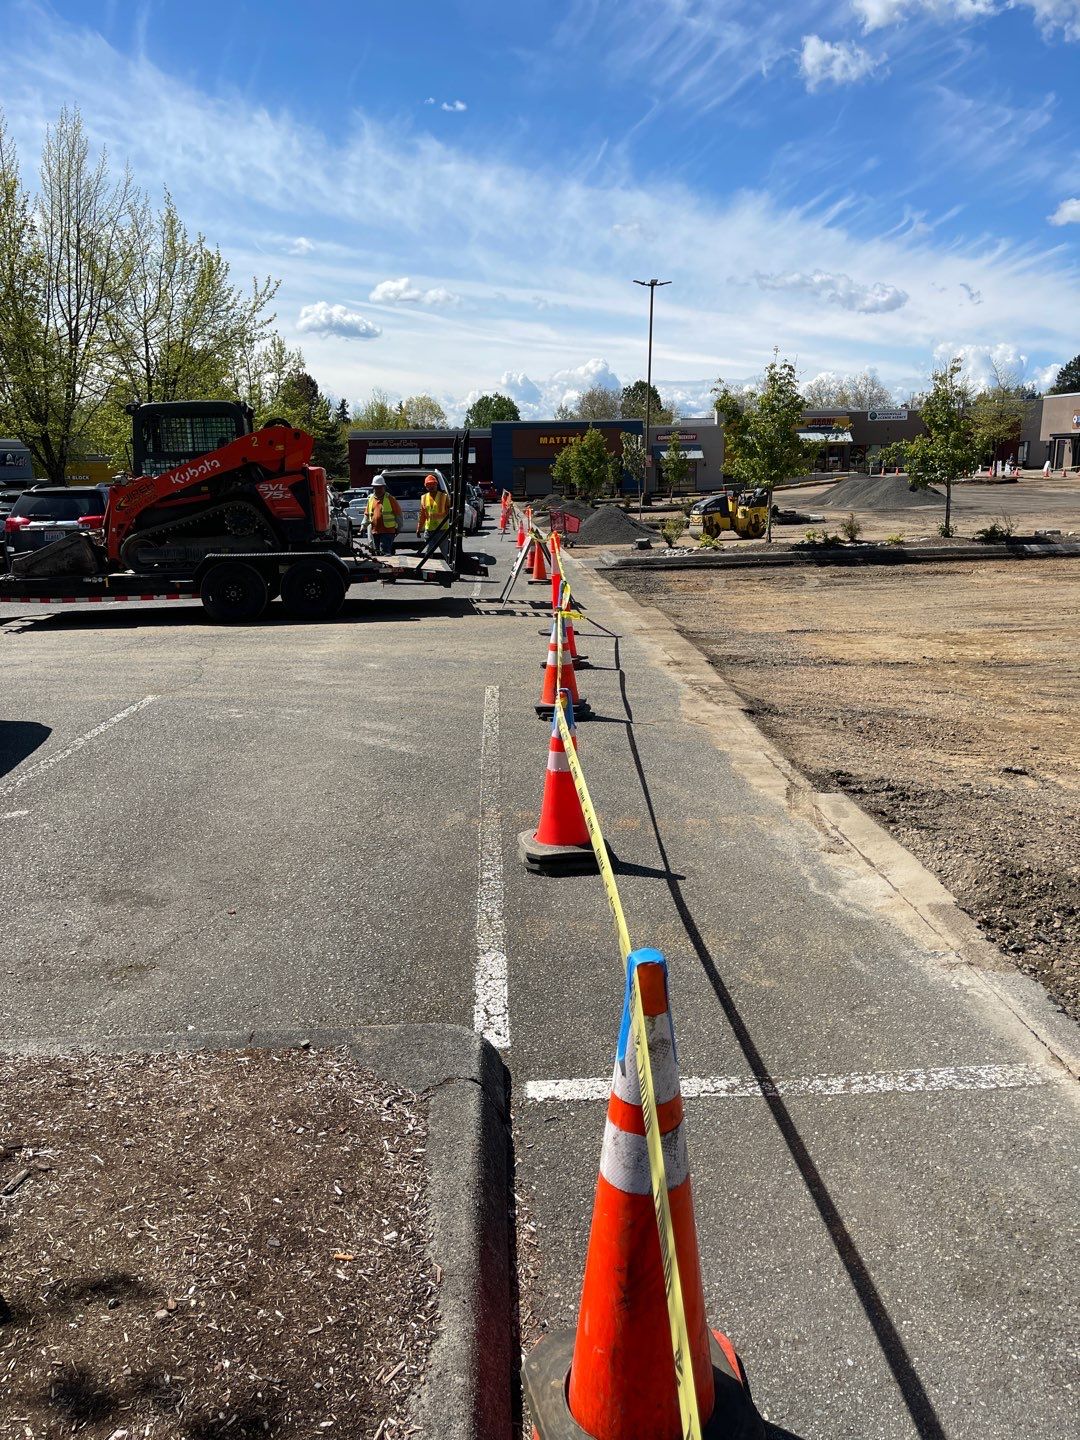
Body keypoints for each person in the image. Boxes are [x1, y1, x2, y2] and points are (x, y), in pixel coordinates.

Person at [365, 475, 402, 556]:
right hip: (375, 531)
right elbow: (367, 515)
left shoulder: (390, 499)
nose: (378, 489)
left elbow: (398, 515)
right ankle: (380, 567)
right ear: (373, 487)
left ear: (384, 487)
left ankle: (385, 568)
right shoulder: (371, 499)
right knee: (377, 551)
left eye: (380, 487)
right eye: (376, 487)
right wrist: (363, 526)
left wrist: (399, 527)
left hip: (388, 531)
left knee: (384, 551)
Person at [417, 473, 450, 558]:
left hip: (442, 530)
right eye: (429, 485)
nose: (431, 487)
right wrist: (419, 528)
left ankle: (451, 569)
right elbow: (422, 515)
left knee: (446, 553)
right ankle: (428, 570)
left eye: (433, 484)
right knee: (428, 553)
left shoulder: (444, 496)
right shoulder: (424, 498)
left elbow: (450, 512)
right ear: (426, 486)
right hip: (429, 531)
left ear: (436, 485)